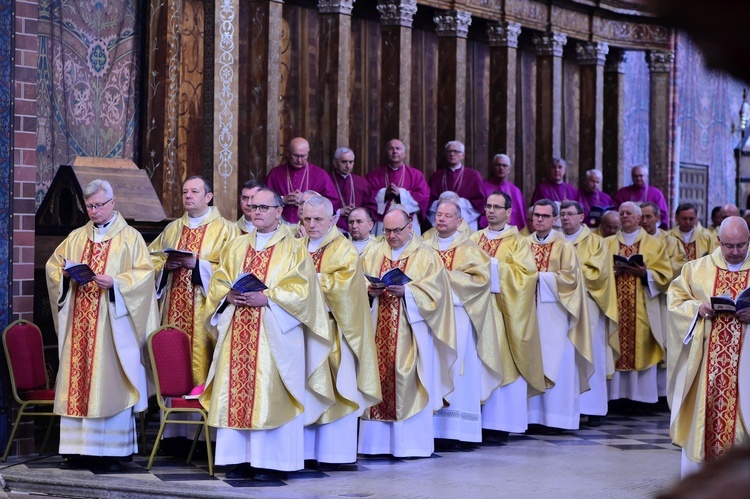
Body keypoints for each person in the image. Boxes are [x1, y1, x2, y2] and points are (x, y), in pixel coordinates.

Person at [201, 188, 334, 480]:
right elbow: (219, 282)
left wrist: (270, 298)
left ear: (279, 211)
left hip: (275, 335)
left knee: (270, 393)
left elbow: (305, 291)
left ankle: (271, 463)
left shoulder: (296, 247)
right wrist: (227, 297)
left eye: (263, 207)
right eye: (252, 206)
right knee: (236, 392)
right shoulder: (236, 246)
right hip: (237, 331)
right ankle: (238, 460)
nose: (256, 211)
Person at [46, 179, 159, 471]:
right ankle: (76, 450)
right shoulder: (75, 237)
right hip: (79, 325)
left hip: (112, 326)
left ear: (112, 203)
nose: (94, 211)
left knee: (109, 382)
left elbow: (145, 276)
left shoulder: (131, 238)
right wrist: (68, 276)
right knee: (78, 382)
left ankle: (111, 452)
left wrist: (116, 283)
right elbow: (53, 267)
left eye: (98, 205)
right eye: (90, 206)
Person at [358, 208, 456, 458]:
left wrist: (410, 293)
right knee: (377, 379)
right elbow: (357, 283)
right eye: (387, 230)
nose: (391, 236)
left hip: (412, 333)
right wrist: (370, 291)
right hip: (376, 328)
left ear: (410, 225)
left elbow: (439, 294)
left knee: (406, 378)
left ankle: (409, 446)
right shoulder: (373, 251)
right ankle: (376, 446)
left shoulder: (426, 255)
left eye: (397, 230)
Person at [300, 196, 381, 469]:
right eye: (307, 219)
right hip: (301, 331)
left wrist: (307, 283)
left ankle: (335, 455)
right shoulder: (295, 246)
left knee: (337, 390)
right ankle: (305, 453)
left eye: (318, 219)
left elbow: (344, 288)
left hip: (334, 331)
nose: (311, 225)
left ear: (333, 220)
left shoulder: (344, 249)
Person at [667, 216, 750, 477]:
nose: (735, 252)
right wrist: (697, 308)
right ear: (718, 241)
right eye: (729, 246)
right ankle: (701, 482)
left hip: (746, 365)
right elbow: (676, 300)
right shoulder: (697, 268)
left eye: (741, 245)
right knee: (705, 417)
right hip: (706, 366)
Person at [424, 200, 503, 447]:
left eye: (448, 216)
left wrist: (443, 278)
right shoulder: (423, 246)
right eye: (439, 214)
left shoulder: (470, 249)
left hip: (459, 318)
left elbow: (481, 281)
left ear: (459, 221)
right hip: (429, 319)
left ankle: (459, 432)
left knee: (460, 371)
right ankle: (432, 429)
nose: (442, 219)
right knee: (432, 369)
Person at [469, 192, 546, 442]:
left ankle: (500, 424)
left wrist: (491, 268)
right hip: (476, 313)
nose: (491, 211)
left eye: (497, 207)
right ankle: (475, 424)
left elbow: (526, 276)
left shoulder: (518, 241)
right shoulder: (473, 239)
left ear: (508, 212)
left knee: (502, 361)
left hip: (504, 314)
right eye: (488, 206)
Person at [149, 176, 238, 386]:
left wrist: (198, 266)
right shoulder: (172, 229)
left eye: (194, 192)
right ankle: (171, 412)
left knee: (200, 363)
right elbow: (149, 260)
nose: (188, 196)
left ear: (208, 196)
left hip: (204, 312)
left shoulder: (227, 230)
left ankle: (201, 413)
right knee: (173, 363)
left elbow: (232, 270)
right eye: (185, 192)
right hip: (172, 307)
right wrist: (164, 267)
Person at [526, 199, 593, 431]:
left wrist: (539, 277)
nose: (540, 220)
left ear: (555, 219)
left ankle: (558, 419)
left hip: (555, 315)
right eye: (536, 215)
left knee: (558, 364)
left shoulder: (564, 245)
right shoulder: (524, 244)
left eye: (545, 216)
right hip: (528, 313)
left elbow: (571, 280)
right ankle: (532, 417)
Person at [604, 201, 672, 404]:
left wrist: (646, 273)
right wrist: (610, 272)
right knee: (616, 344)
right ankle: (616, 398)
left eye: (628, 213)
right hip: (616, 306)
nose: (624, 216)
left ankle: (642, 399)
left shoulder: (654, 244)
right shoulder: (606, 243)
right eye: (621, 212)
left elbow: (665, 274)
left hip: (643, 305)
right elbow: (597, 272)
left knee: (642, 344)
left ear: (638, 218)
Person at [560, 201, 619, 425]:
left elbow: (598, 274)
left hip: (589, 306)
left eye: (570, 214)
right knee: (566, 358)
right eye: (562, 214)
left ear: (581, 217)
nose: (565, 218)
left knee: (590, 353)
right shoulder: (556, 241)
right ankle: (568, 408)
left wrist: (565, 273)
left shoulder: (595, 242)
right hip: (560, 306)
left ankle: (592, 408)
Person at [265, 137, 341, 225]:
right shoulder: (275, 173)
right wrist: (282, 199)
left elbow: (333, 202)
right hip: (281, 223)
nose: (299, 160)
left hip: (310, 224)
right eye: (296, 156)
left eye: (303, 156)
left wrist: (309, 199)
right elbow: (264, 199)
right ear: (288, 152)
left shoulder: (320, 174)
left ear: (308, 153)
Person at [365, 139, 430, 235]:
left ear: (404, 154)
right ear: (386, 153)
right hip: (382, 221)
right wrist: (384, 194)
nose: (394, 151)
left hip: (408, 221)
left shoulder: (416, 175)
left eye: (398, 148)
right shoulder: (374, 175)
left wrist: (401, 194)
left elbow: (423, 197)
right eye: (391, 148)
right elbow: (366, 196)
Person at [427, 141, 485, 230]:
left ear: (462, 155)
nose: (452, 154)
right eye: (449, 151)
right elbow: (428, 201)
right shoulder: (436, 176)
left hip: (466, 222)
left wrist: (459, 202)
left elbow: (480, 202)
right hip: (441, 222)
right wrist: (441, 202)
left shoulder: (473, 176)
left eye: (456, 151)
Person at [329, 147, 376, 233]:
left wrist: (359, 212)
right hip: (335, 229)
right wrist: (339, 212)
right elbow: (321, 207)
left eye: (351, 162)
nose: (348, 166)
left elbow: (372, 207)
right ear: (335, 163)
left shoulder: (361, 182)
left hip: (358, 229)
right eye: (344, 162)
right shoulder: (327, 180)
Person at [641, 202, 687, 280]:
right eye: (642, 217)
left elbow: (678, 266)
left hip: (662, 288)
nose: (645, 221)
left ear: (658, 217)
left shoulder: (672, 242)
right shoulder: (634, 240)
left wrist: (649, 274)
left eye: (648, 217)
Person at [481, 154, 527, 229]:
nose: (501, 168)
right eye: (498, 165)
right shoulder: (483, 187)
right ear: (493, 167)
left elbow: (520, 217)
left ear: (509, 169)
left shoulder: (515, 191)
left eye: (504, 165)